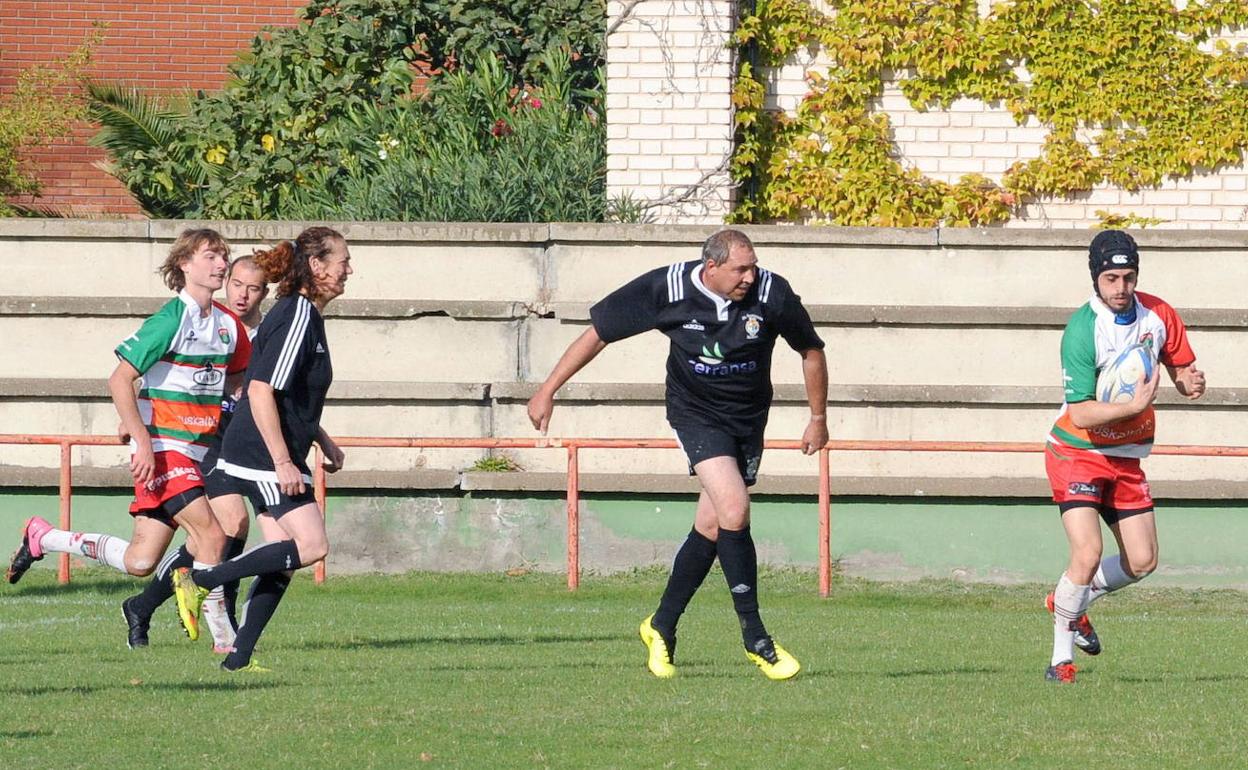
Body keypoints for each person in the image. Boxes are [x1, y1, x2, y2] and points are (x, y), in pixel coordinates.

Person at [527, 228, 828, 680]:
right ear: (711, 267)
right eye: (740, 269)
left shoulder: (772, 293)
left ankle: (661, 626)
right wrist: (547, 390)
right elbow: (598, 334)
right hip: (695, 415)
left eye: (753, 266)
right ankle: (756, 638)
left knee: (711, 524)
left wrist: (818, 418)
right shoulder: (666, 288)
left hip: (747, 420)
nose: (750, 276)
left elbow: (811, 350)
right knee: (734, 508)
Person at [6, 230, 250, 644]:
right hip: (165, 451)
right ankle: (229, 644)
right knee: (211, 536)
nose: (221, 264)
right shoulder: (170, 319)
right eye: (210, 256)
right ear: (185, 265)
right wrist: (139, 436)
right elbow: (121, 378)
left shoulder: (228, 326)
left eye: (223, 256)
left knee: (140, 561)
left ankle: (44, 536)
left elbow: (237, 381)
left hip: (195, 451)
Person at [171, 226, 350, 673]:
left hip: (267, 447)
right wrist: (284, 460)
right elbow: (261, 391)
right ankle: (204, 576)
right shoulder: (300, 314)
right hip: (263, 452)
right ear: (317, 266)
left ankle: (238, 657)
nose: (349, 270)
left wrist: (319, 437)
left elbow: (280, 390)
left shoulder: (295, 312)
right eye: (343, 261)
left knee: (283, 556)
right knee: (312, 544)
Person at [1043, 229, 1206, 684]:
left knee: (1142, 561)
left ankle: (1069, 602)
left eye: (1128, 277)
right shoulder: (1081, 330)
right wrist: (1133, 407)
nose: (1121, 288)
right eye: (1111, 278)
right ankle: (1060, 660)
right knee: (1088, 551)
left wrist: (1190, 383)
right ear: (1096, 278)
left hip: (1127, 457)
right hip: (1076, 452)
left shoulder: (1159, 315)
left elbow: (1180, 367)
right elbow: (1081, 411)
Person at [121, 255, 268, 652]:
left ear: (264, 294)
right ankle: (225, 627)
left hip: (234, 442)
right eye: (237, 283)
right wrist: (137, 420)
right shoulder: (193, 319)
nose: (242, 293)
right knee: (225, 526)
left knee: (144, 558)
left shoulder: (257, 333)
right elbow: (150, 373)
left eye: (252, 288)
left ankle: (144, 605)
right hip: (197, 444)